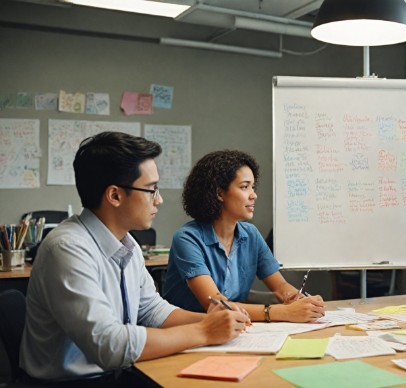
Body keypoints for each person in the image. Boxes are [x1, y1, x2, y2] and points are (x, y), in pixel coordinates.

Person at [20, 132, 248, 385]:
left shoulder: (128, 244)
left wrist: (215, 320)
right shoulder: (66, 249)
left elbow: (152, 309)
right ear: (115, 196)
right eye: (151, 190)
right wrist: (204, 331)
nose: (159, 200)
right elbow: (110, 345)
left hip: (117, 374)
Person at [163, 149, 325, 322]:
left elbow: (280, 287)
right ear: (219, 193)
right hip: (189, 332)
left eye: (253, 187)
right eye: (244, 187)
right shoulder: (187, 238)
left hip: (233, 329)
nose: (254, 195)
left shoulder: (251, 234)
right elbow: (217, 305)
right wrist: (283, 312)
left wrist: (300, 301)